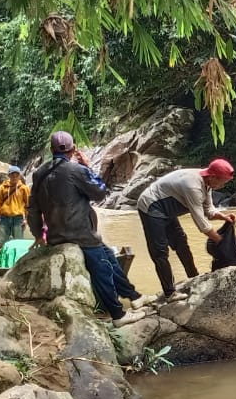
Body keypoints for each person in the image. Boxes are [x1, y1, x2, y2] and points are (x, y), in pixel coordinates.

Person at [27, 130, 150, 327]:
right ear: (73, 149)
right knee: (102, 269)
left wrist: (38, 235)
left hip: (56, 235)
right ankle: (118, 315)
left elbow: (33, 209)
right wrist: (87, 166)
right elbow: (100, 192)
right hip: (81, 233)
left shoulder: (39, 173)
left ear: (51, 150)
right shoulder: (76, 170)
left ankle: (134, 296)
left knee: (109, 256)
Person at [136, 159, 236, 298]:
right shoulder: (192, 186)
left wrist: (223, 217)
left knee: (181, 243)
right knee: (160, 251)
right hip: (152, 206)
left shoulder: (207, 183)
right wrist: (221, 241)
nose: (223, 185)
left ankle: (194, 277)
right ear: (213, 176)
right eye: (222, 182)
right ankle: (170, 293)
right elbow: (201, 223)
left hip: (168, 210)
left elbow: (208, 210)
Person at [0, 166, 30, 246]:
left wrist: (26, 219)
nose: (15, 177)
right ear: (9, 176)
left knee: (19, 243)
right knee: (2, 243)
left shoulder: (24, 188)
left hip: (18, 219)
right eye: (12, 175)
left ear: (19, 176)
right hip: (4, 218)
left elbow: (28, 204)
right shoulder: (2, 187)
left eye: (17, 175)